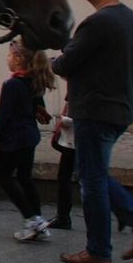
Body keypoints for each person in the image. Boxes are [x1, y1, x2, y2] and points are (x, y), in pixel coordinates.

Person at [52, 0, 133, 263]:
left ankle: (101, 249)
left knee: (92, 180)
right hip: (118, 108)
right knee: (94, 174)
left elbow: (66, 64)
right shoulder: (130, 18)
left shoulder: (97, 23)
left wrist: (53, 60)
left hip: (95, 109)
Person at [0, 42, 55, 242]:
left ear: (18, 59)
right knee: (24, 177)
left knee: (4, 176)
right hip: (29, 136)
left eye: (10, 55)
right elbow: (38, 107)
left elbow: (4, 115)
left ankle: (32, 219)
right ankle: (37, 219)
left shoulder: (11, 84)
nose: (8, 59)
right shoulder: (33, 82)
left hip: (15, 137)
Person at [49, 97, 77, 230]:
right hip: (70, 142)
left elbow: (77, 117)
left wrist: (63, 120)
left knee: (65, 178)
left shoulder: (81, 86)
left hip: (74, 142)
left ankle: (63, 217)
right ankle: (63, 216)